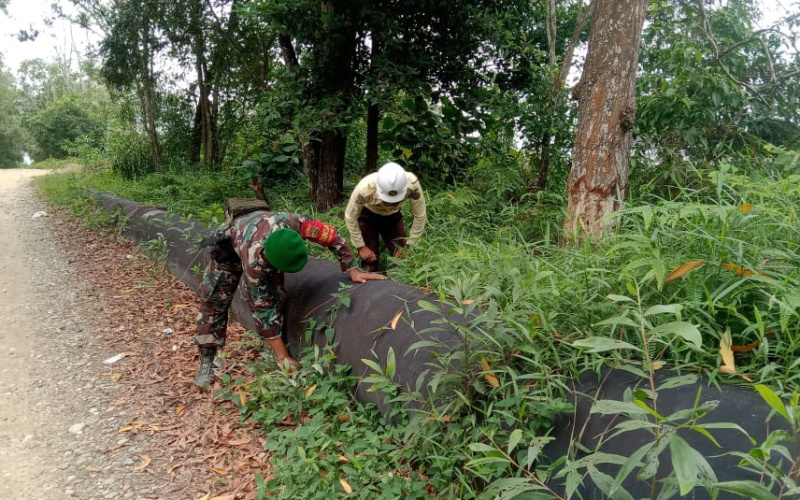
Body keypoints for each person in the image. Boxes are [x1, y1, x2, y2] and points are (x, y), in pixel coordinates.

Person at [194, 208, 386, 387]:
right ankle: (207, 357)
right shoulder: (256, 262)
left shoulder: (298, 223)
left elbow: (332, 236)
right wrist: (283, 357)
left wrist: (353, 269)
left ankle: (278, 341)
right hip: (230, 246)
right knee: (215, 299)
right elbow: (262, 308)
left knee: (277, 293)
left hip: (265, 234)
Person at [344, 162, 427, 272]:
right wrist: (361, 247)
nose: (391, 203)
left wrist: (410, 244)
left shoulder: (412, 184)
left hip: (393, 218)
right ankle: (370, 280)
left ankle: (399, 279)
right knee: (369, 262)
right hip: (367, 216)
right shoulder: (364, 188)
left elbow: (420, 215)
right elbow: (350, 217)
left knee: (403, 258)